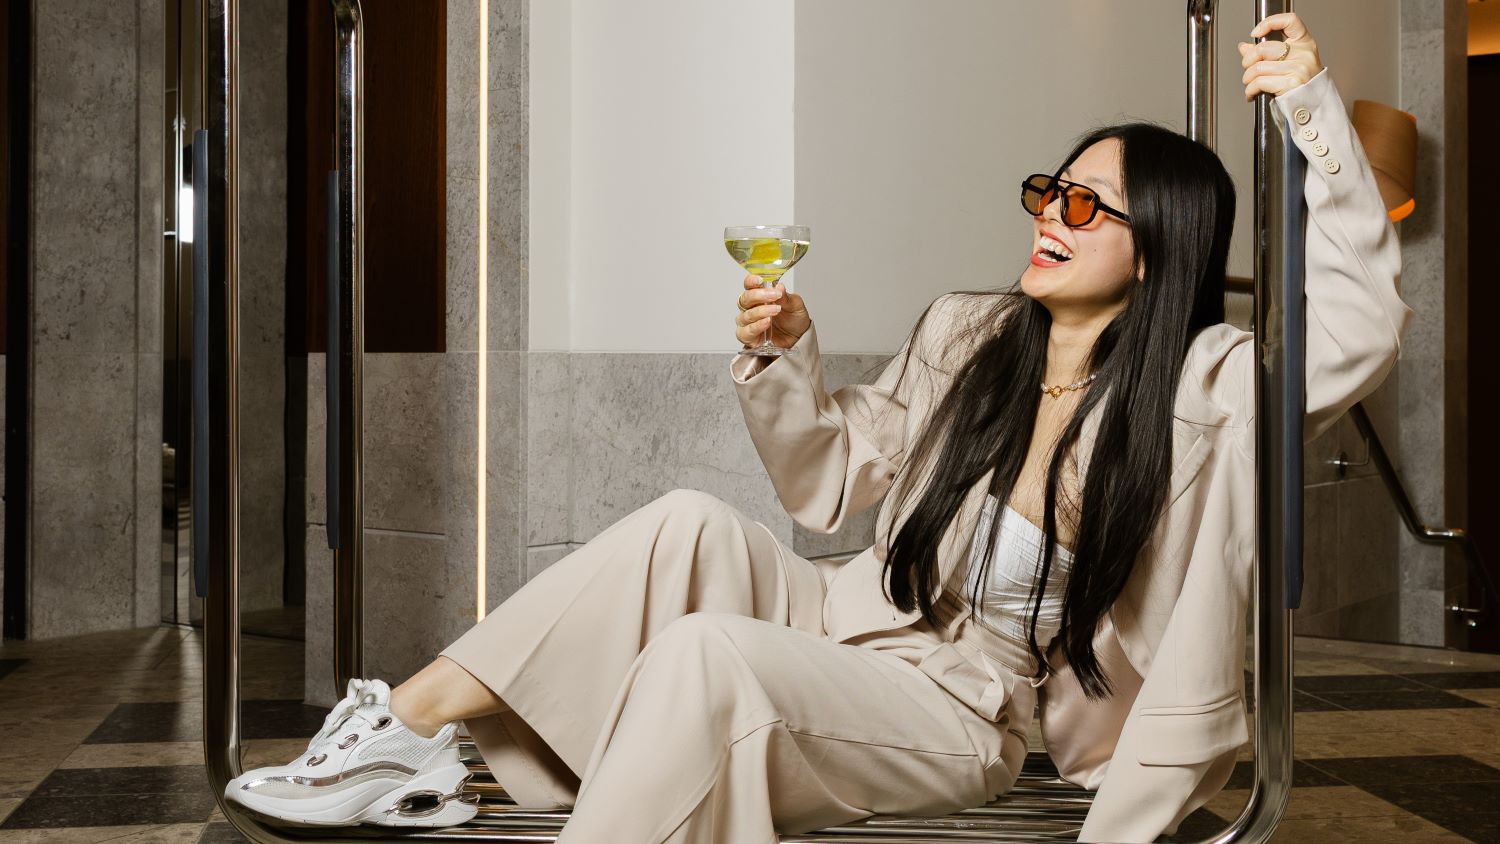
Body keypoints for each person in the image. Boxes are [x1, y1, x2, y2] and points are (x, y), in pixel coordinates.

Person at [223, 13, 1410, 843]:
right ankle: (407, 730)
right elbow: (832, 482)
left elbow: (1360, 324)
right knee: (686, 522)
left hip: (966, 707)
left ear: (1158, 249)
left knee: (706, 654)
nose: (1051, 214)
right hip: (864, 616)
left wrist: (1309, 105)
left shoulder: (1203, 383)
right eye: (1050, 190)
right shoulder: (972, 332)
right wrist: (787, 348)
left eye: (1087, 205)